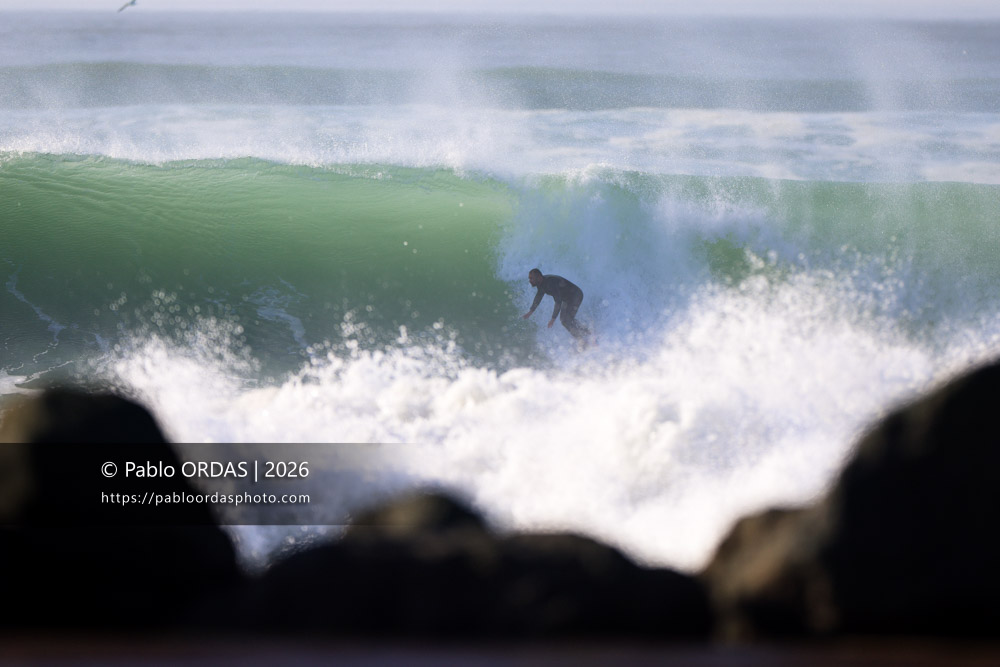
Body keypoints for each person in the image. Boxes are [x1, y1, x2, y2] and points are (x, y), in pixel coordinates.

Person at [521, 268, 592, 345]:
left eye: (531, 278)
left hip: (575, 296)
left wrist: (553, 319)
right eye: (529, 278)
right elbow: (539, 296)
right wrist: (530, 311)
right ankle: (588, 333)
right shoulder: (541, 283)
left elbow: (558, 301)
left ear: (538, 277)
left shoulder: (550, 283)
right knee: (564, 320)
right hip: (568, 298)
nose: (530, 280)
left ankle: (583, 340)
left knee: (566, 320)